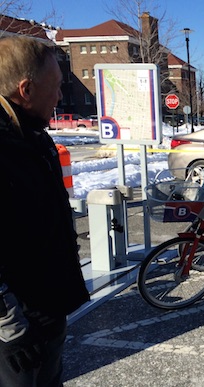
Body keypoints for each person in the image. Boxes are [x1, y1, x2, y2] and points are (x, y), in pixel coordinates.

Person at [0, 36, 90, 386]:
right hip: (19, 324)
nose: (58, 97)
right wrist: (10, 327)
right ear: (26, 89)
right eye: (54, 88)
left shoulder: (34, 138)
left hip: (47, 309)